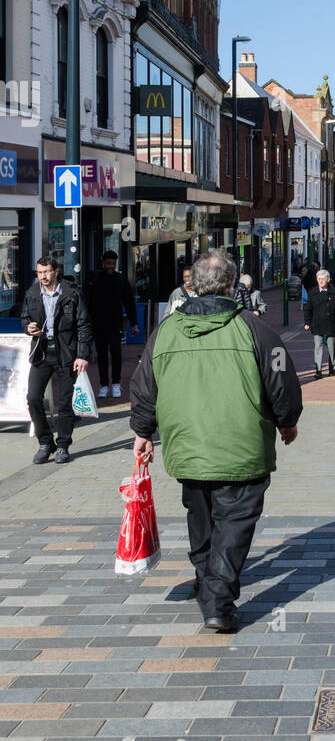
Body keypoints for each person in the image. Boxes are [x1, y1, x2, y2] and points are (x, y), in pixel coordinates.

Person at [130, 250, 302, 631]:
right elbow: (281, 379)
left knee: (201, 515)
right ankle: (218, 600)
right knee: (235, 521)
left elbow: (144, 384)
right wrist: (287, 421)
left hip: (187, 446)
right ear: (230, 285)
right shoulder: (258, 331)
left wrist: (142, 432)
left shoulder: (166, 331)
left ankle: (206, 579)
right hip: (241, 447)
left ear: (193, 284)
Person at [21, 256, 93, 465]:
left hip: (66, 354)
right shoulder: (32, 294)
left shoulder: (72, 294)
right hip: (41, 353)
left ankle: (62, 445)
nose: (43, 276)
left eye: (46, 272)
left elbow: (84, 325)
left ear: (56, 271)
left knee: (64, 403)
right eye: (39, 272)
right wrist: (28, 327)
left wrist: (82, 355)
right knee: (33, 397)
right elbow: (24, 317)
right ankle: (45, 443)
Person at [85, 250, 138, 397]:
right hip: (98, 324)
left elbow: (129, 303)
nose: (111, 266)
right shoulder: (94, 279)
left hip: (115, 324)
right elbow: (86, 301)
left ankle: (115, 383)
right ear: (103, 263)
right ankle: (103, 385)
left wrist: (134, 323)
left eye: (113, 263)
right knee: (101, 355)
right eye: (108, 263)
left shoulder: (121, 280)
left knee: (116, 353)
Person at [304, 268, 335, 377]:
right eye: (318, 279)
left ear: (328, 280)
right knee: (318, 346)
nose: (320, 281)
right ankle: (318, 370)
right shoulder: (312, 292)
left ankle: (332, 368)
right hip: (317, 323)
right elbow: (308, 309)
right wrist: (307, 322)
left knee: (331, 347)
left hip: (331, 324)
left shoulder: (334, 292)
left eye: (323, 279)